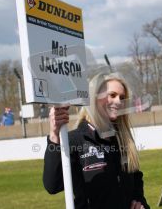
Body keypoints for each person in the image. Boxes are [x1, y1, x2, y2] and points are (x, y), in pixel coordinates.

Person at [43, 72, 150, 209]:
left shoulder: (124, 140)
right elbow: (53, 185)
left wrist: (141, 204)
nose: (118, 101)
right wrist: (54, 136)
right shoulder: (74, 140)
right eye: (112, 95)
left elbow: (136, 183)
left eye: (122, 97)